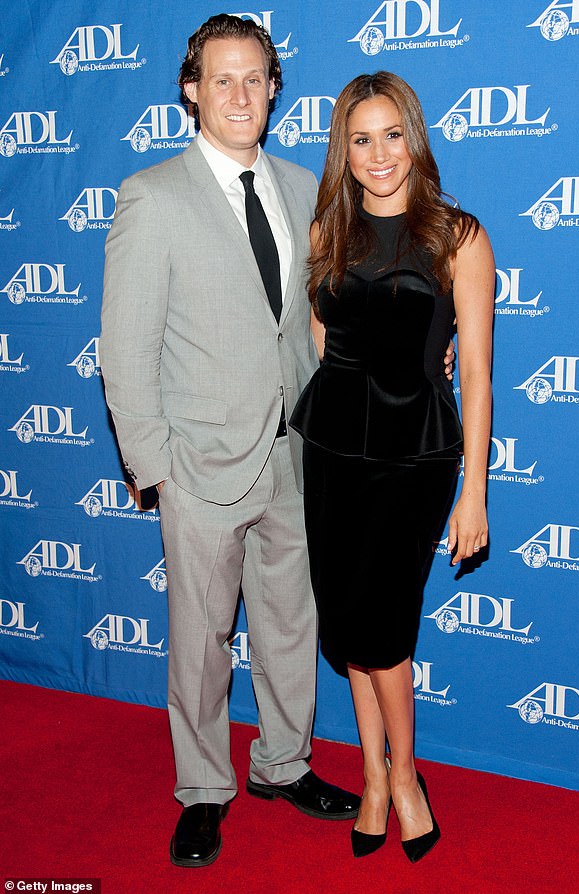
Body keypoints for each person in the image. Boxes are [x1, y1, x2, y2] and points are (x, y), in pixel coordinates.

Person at [99, 14, 361, 869]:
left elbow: (310, 325)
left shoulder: (298, 186)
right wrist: (156, 470)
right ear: (191, 90)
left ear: (275, 88)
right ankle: (204, 790)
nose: (240, 94)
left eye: (255, 78)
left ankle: (283, 766)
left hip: (292, 459)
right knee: (201, 639)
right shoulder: (153, 196)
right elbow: (126, 348)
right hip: (200, 468)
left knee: (291, 625)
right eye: (222, 79)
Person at [289, 71, 494, 863]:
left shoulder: (457, 237)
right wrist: (344, 395)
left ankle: (404, 776)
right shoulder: (326, 232)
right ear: (344, 146)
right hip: (333, 447)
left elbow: (474, 369)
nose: (378, 154)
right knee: (348, 622)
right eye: (360, 138)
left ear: (416, 136)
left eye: (392, 134)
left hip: (415, 454)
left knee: (383, 628)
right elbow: (319, 334)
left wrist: (473, 491)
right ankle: (372, 779)